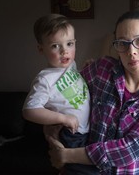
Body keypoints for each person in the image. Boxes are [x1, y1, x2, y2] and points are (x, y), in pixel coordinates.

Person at [45, 11, 139, 174]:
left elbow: (131, 148)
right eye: (123, 43)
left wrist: (67, 155)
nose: (131, 51)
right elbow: (61, 95)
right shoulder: (101, 69)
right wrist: (51, 131)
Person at [22, 14, 96, 175]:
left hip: (87, 129)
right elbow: (29, 110)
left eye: (69, 44)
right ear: (41, 49)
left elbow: (69, 87)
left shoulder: (71, 66)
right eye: (55, 46)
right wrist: (63, 118)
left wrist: (83, 71)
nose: (64, 51)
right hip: (71, 134)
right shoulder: (45, 79)